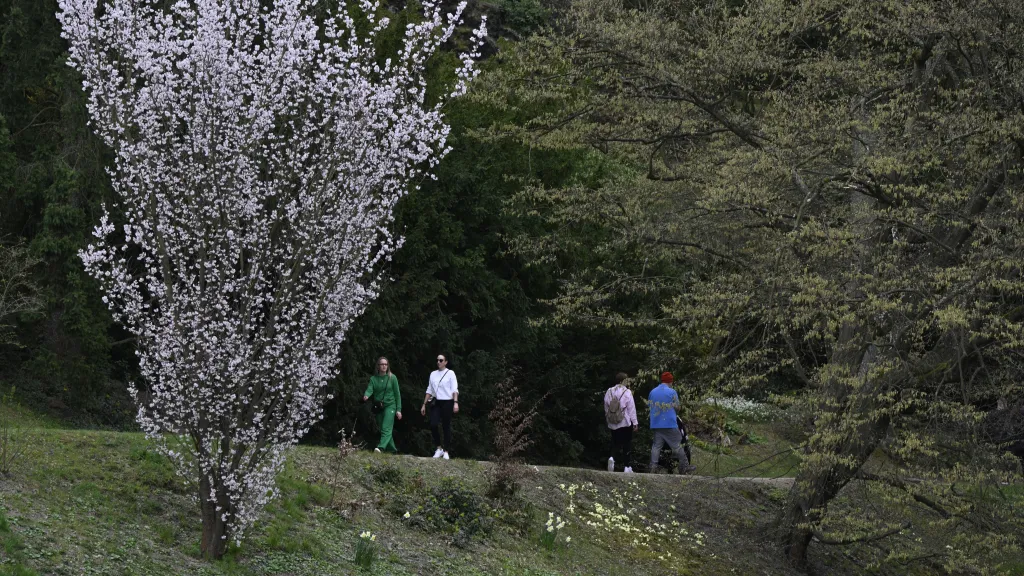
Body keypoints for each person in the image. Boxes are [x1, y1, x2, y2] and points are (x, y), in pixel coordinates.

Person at [649, 371, 695, 474]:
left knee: (656, 446)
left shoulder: (652, 392)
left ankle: (653, 466)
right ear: (670, 381)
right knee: (678, 444)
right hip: (669, 423)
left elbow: (650, 406)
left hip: (656, 423)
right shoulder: (672, 392)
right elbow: (678, 408)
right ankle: (684, 467)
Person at [421, 353, 458, 460]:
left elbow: (454, 389)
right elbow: (429, 390)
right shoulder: (433, 374)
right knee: (433, 424)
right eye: (437, 360)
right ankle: (439, 448)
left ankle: (446, 451)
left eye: (441, 360)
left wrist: (455, 403)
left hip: (447, 402)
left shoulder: (450, 373)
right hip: (436, 402)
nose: (438, 362)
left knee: (446, 426)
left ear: (446, 362)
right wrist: (424, 404)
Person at [363, 356, 402, 453]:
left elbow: (397, 394)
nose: (384, 366)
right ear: (378, 366)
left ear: (388, 366)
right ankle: (392, 450)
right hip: (379, 407)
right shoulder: (373, 379)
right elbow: (370, 388)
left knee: (386, 427)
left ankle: (381, 447)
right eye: (382, 364)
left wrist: (398, 409)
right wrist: (366, 395)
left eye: (386, 364)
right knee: (383, 429)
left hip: (390, 405)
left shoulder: (392, 377)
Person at [604, 372, 638, 473]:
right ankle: (627, 466)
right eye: (626, 380)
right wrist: (635, 422)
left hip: (613, 422)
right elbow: (631, 409)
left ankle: (611, 457)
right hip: (625, 421)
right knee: (627, 443)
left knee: (615, 442)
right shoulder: (627, 392)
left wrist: (608, 418)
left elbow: (606, 406)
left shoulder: (609, 391)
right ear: (623, 380)